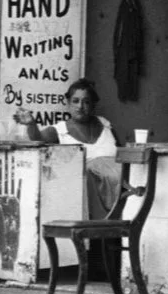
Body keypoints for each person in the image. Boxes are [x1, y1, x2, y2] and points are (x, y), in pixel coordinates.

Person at [13, 78, 121, 220]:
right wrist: (31, 125)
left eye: (86, 102)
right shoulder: (60, 130)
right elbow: (38, 140)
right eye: (75, 101)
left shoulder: (105, 124)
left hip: (122, 190)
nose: (80, 106)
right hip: (89, 203)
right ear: (68, 103)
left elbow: (122, 152)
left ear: (93, 105)